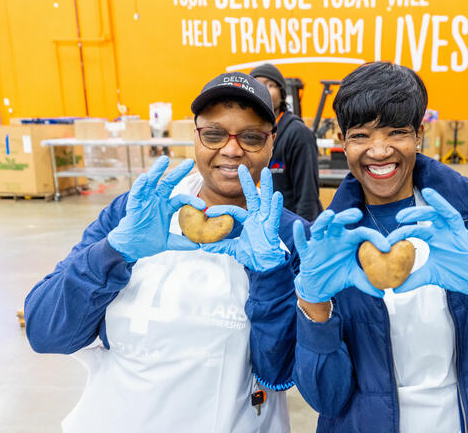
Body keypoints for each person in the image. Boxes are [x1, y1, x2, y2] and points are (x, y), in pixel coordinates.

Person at [290, 62, 468, 433]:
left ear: (419, 135)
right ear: (342, 140)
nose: (379, 151)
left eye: (397, 132)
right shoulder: (332, 243)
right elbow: (326, 399)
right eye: (361, 135)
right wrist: (315, 306)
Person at [24, 72, 307, 432]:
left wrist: (270, 275)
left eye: (251, 137)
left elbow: (278, 373)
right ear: (196, 136)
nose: (232, 149)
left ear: (271, 143)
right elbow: (46, 331)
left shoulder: (288, 236)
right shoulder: (136, 212)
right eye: (214, 133)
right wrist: (115, 252)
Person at [251, 63, 323, 221]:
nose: (263, 90)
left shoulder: (298, 133)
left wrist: (303, 234)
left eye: (270, 85)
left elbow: (307, 195)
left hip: (289, 227)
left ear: (282, 94)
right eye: (257, 85)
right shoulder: (246, 134)